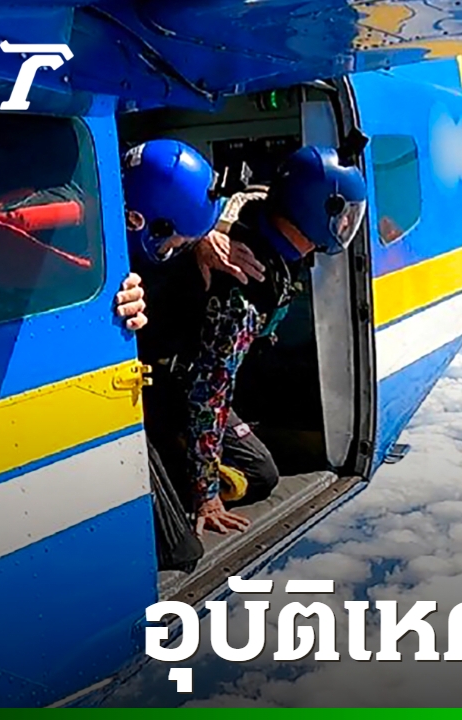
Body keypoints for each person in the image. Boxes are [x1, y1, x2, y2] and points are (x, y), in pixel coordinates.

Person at [123, 139, 367, 537]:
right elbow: (208, 393)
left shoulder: (258, 217)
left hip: (193, 367)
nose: (345, 227)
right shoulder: (246, 289)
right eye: (343, 217)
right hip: (173, 387)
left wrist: (207, 234)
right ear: (316, 211)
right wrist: (206, 495)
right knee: (260, 473)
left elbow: (239, 198)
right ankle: (169, 475)